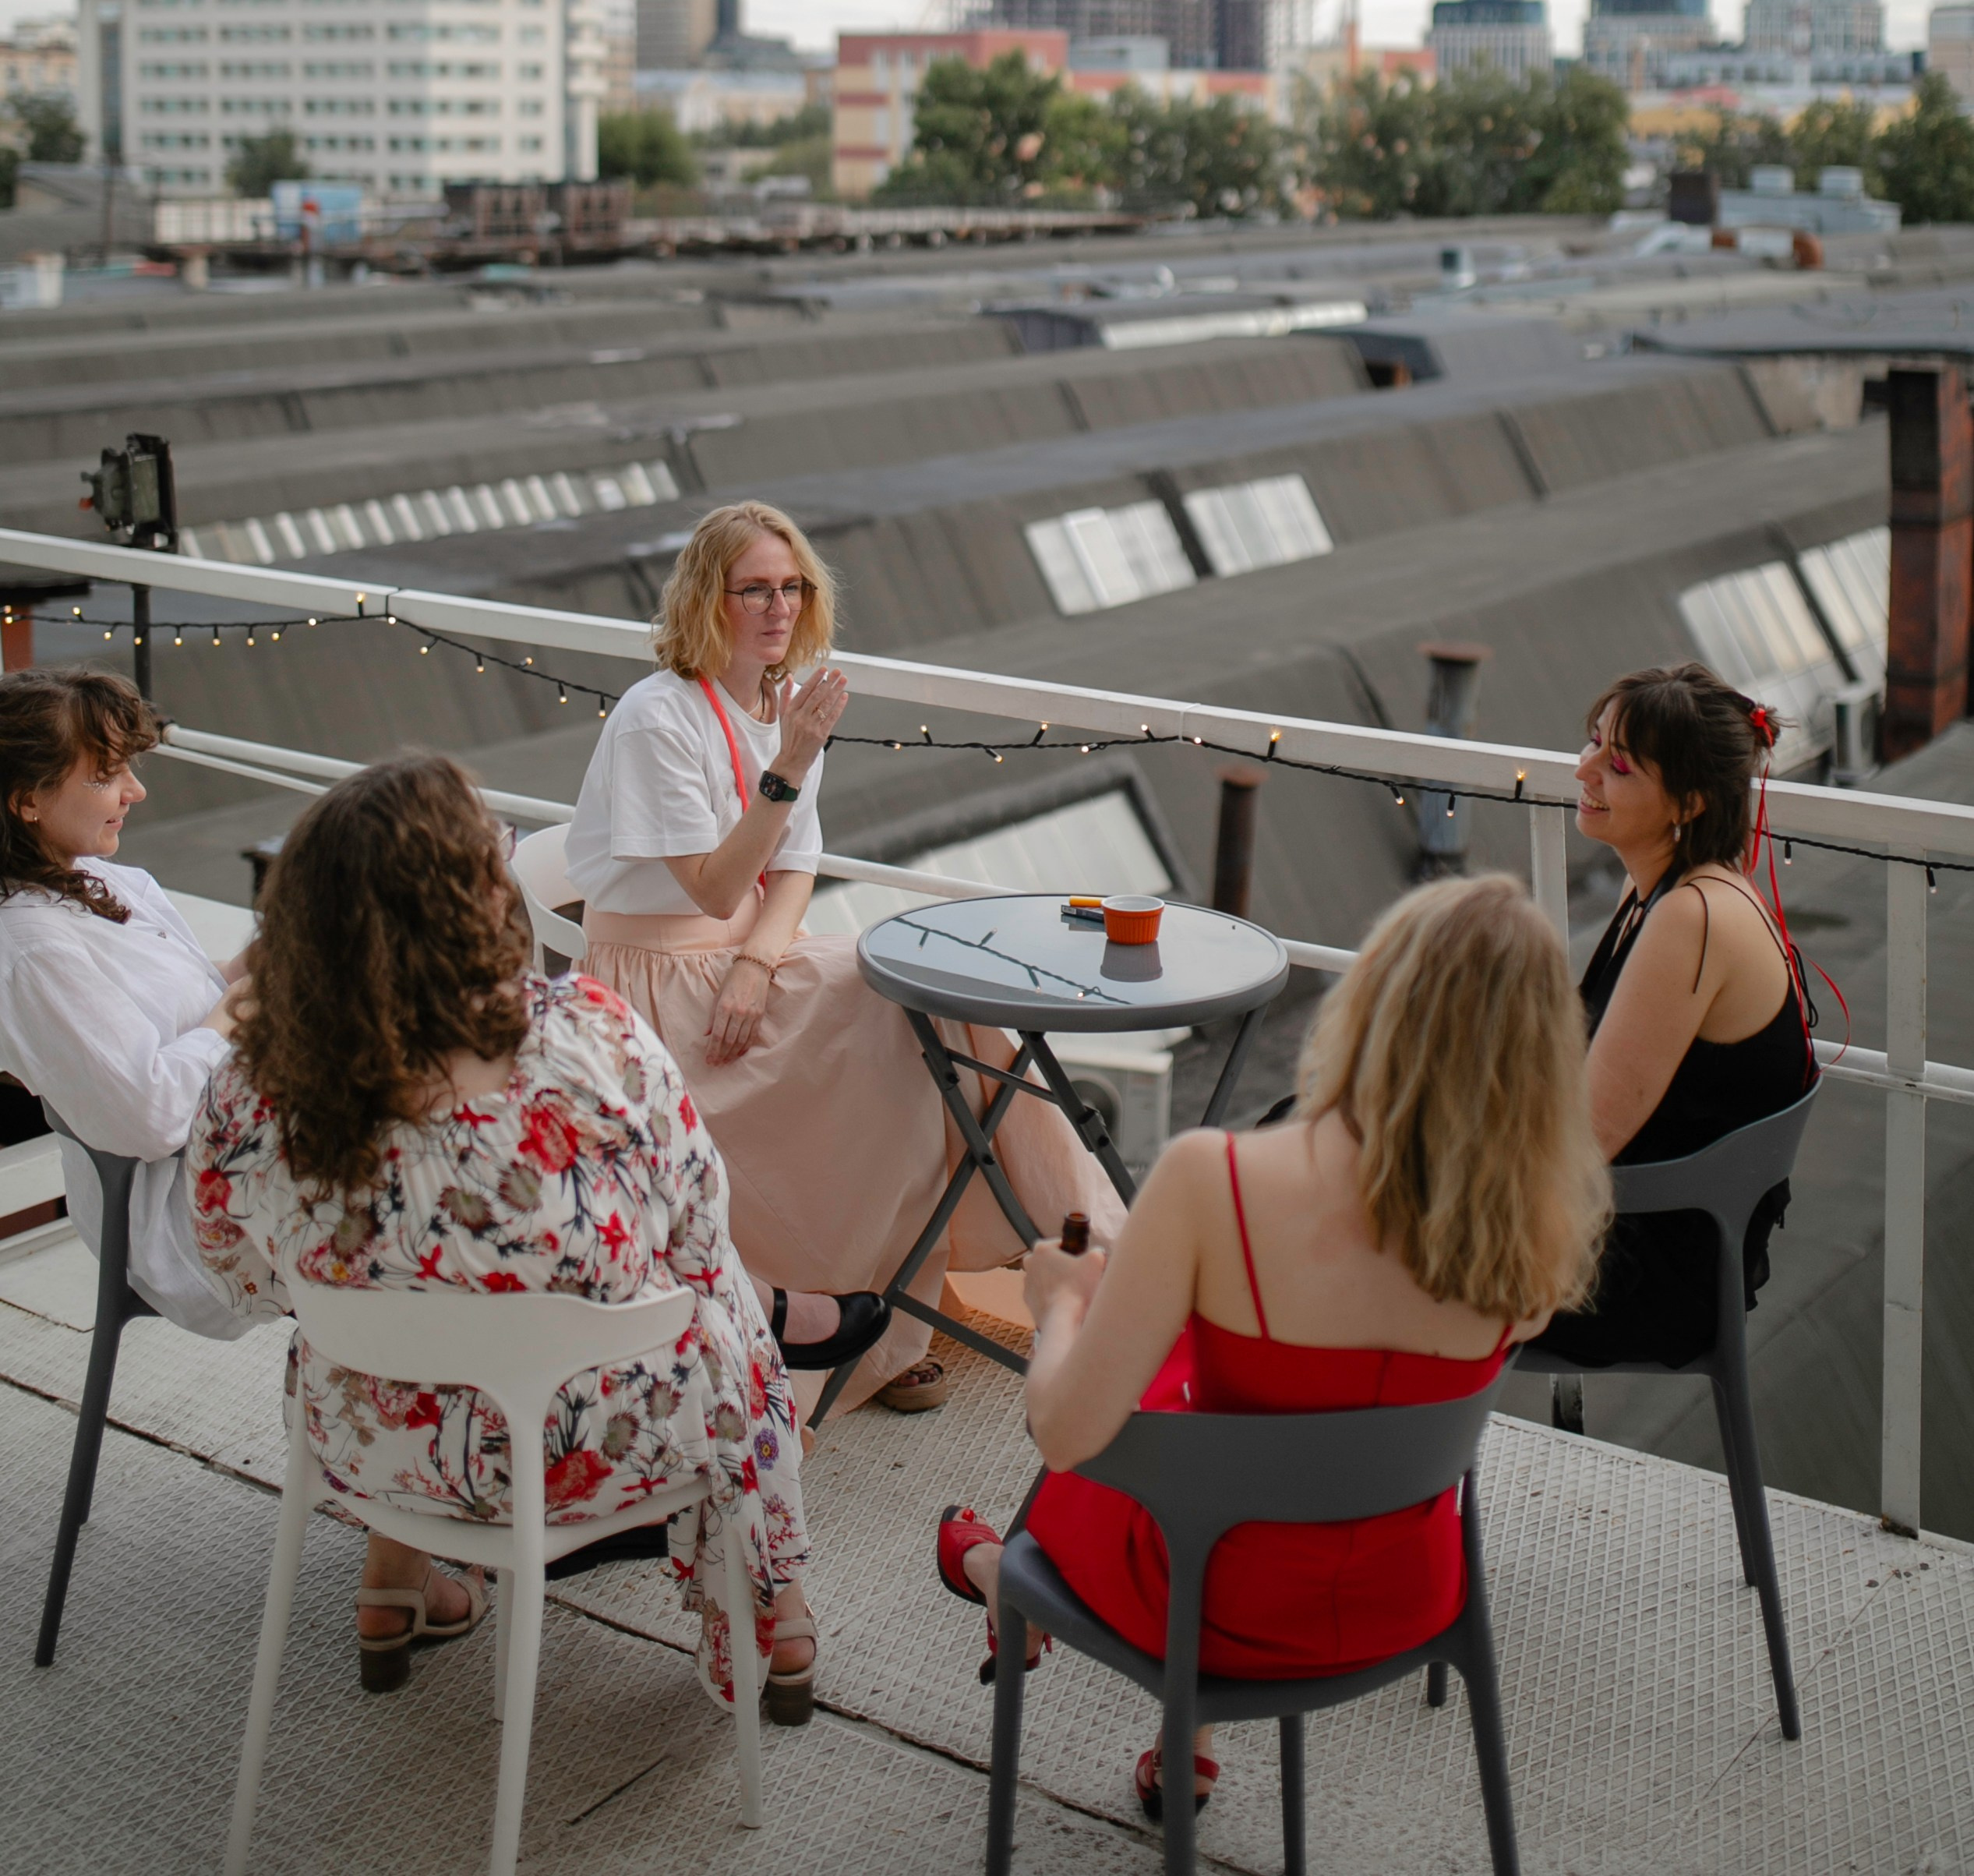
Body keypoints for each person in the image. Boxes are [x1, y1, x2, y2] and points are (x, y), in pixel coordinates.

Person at [934, 874, 1609, 1824]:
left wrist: (1061, 1305)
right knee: (1207, 1387)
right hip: (1403, 1593)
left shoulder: (1215, 1177)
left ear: (1370, 1003)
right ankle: (1179, 1738)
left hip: (1214, 1601)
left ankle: (1001, 1577)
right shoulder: (1532, 1235)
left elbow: (1062, 1428)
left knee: (1123, 1420)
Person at [190, 753, 817, 1716]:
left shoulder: (249, 1079)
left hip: (375, 1447)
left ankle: (393, 1579)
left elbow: (238, 1270)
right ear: (478, 894)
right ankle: (774, 1607)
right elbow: (693, 1225)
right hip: (600, 1443)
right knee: (718, 1282)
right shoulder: (583, 1033)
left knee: (404, 1315)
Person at [566, 498, 1125, 1415]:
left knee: (941, 995)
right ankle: (928, 1300)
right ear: (710, 597)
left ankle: (1067, 1247)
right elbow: (712, 884)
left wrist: (755, 963)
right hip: (654, 982)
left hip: (742, 955)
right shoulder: (657, 716)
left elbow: (793, 865)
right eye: (754, 589)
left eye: (791, 587)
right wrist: (788, 764)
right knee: (895, 1022)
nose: (778, 607)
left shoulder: (787, 704)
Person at [1539, 660, 1818, 1380]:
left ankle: (1356, 1472)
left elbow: (1582, 1140)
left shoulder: (1691, 919)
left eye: (1619, 764)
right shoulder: (1669, 895)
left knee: (1330, 1215)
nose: (1584, 771)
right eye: (1593, 743)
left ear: (1688, 802)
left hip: (1642, 1270)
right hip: (1647, 1233)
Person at [0, 668, 255, 1343]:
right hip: (191, 1215)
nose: (134, 792)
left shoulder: (106, 877)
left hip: (244, 1148)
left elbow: (191, 1011)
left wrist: (254, 967)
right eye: (105, 775)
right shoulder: (31, 951)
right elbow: (146, 1116)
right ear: (27, 801)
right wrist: (236, 1012)